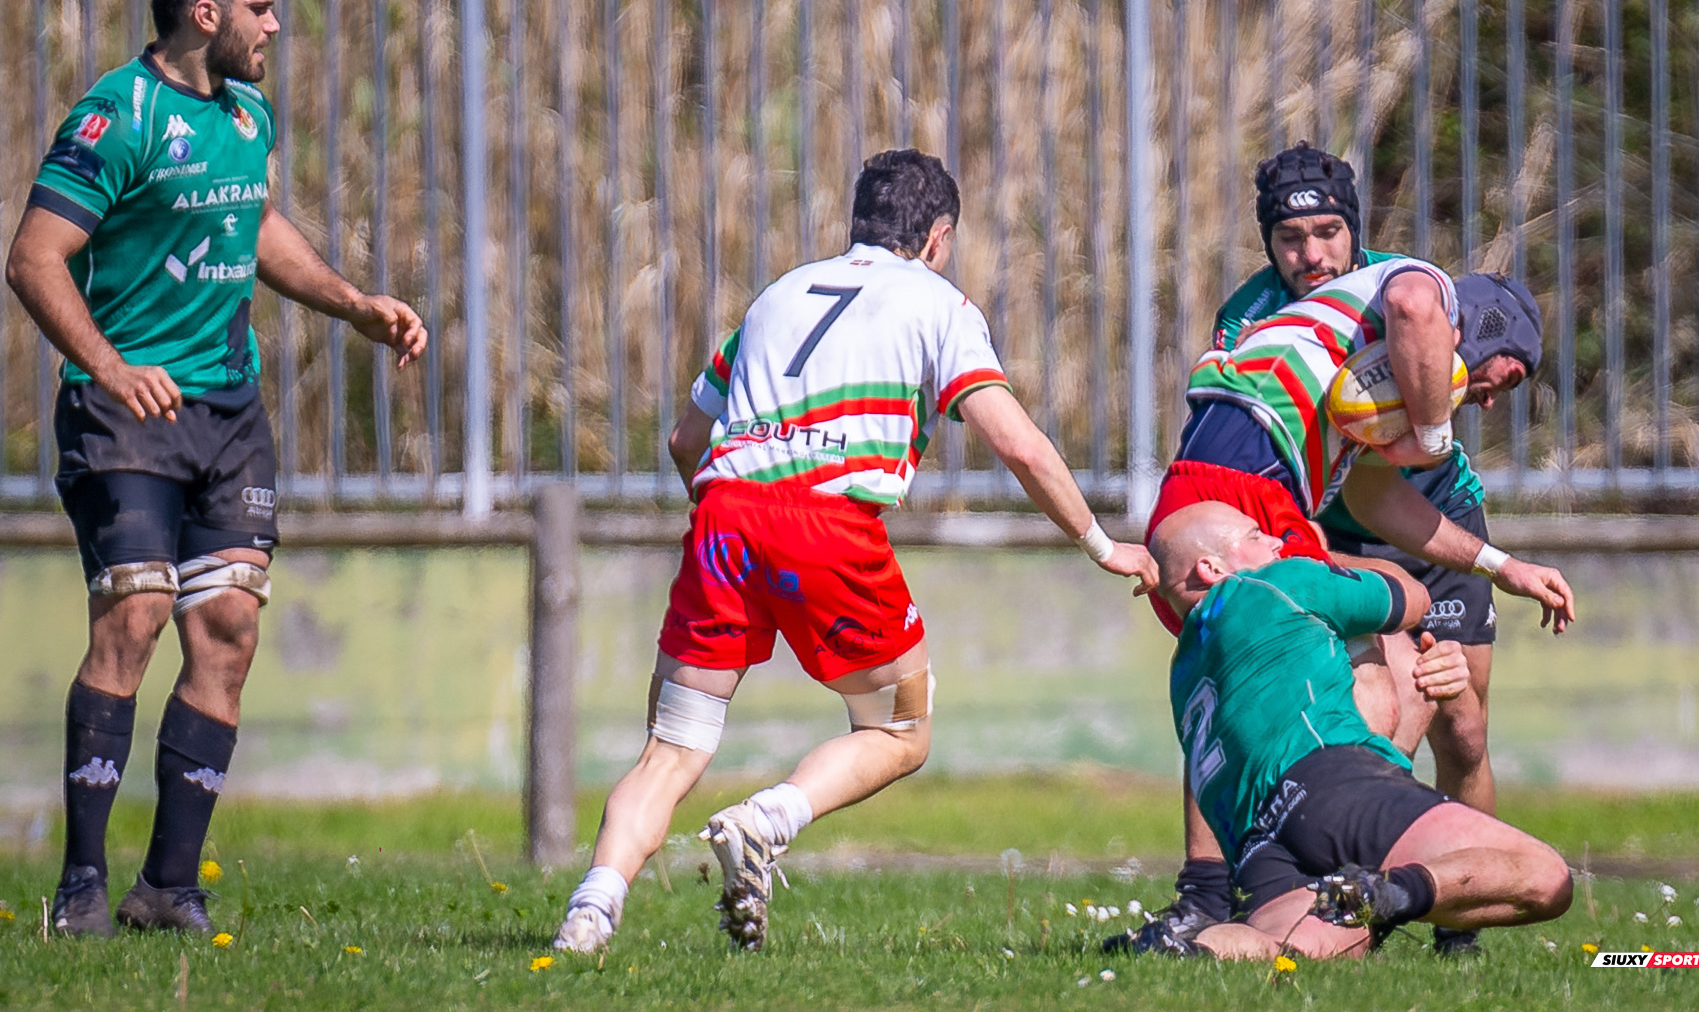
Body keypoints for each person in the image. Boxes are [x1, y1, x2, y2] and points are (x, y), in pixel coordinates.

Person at [553, 149, 1159, 955]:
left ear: (858, 223)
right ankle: (766, 821)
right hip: (829, 525)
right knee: (901, 726)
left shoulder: (775, 296)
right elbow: (1017, 443)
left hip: (725, 516)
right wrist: (1099, 540)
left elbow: (684, 438)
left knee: (671, 748)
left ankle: (590, 911)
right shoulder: (937, 303)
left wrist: (726, 518)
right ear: (938, 238)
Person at [5, 0, 427, 937]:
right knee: (136, 618)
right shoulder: (117, 117)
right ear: (208, 15)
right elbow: (35, 258)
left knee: (228, 631)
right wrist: (111, 365)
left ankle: (169, 886)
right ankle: (79, 889)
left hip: (228, 414)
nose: (276, 26)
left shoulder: (247, 110)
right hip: (123, 415)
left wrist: (348, 301)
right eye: (262, 9)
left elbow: (257, 220)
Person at [1139, 147, 1575, 953]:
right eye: (1493, 377)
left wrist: (1501, 566)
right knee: (1391, 669)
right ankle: (1339, 857)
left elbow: (1371, 490)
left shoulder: (1347, 335)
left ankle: (1271, 892)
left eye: (1328, 230)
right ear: (1471, 328)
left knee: (1328, 689)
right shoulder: (1418, 286)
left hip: (1243, 485)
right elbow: (1414, 303)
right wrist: (1435, 434)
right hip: (1253, 491)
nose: (1486, 396)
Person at [1113, 501, 1572, 960]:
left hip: (1257, 842)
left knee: (1285, 946)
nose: (1275, 541)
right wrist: (1324, 552)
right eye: (1255, 536)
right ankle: (1390, 893)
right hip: (1330, 783)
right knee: (1546, 876)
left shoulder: (1185, 671)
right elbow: (1412, 598)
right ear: (1211, 567)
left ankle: (1181, 950)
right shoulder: (1276, 583)